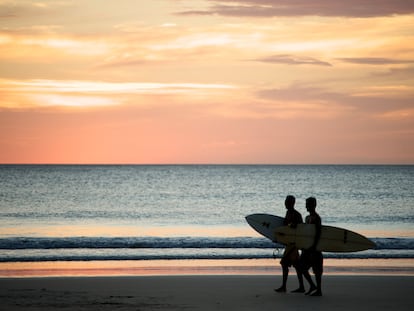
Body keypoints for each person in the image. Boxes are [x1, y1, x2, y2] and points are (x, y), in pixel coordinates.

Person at [275, 195, 305, 293]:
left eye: (287, 202)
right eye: (285, 201)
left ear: (292, 203)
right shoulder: (288, 213)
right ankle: (300, 287)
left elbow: (301, 230)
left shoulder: (297, 215)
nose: (285, 203)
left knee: (285, 263)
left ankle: (286, 287)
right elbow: (285, 227)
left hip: (293, 244)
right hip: (289, 244)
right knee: (295, 265)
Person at [300, 197, 323, 296]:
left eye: (308, 204)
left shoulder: (317, 218)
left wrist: (314, 247)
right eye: (306, 204)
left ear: (313, 205)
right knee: (302, 268)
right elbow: (306, 233)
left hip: (315, 249)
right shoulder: (307, 218)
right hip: (307, 248)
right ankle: (313, 286)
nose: (306, 206)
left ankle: (319, 290)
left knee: (317, 270)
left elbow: (318, 234)